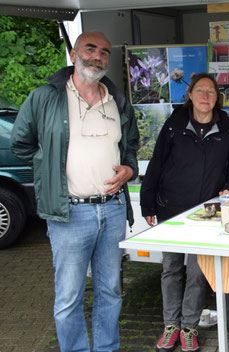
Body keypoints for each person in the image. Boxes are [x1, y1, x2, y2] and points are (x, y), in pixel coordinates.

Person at [10, 32, 139, 351]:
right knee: (69, 296)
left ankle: (106, 347)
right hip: (69, 214)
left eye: (104, 52)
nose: (98, 56)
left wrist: (130, 168)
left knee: (110, 290)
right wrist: (50, 165)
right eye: (90, 49)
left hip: (111, 210)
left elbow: (131, 145)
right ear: (72, 54)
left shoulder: (117, 99)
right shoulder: (45, 97)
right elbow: (20, 144)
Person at [140, 73, 229, 352]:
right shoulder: (175, 123)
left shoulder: (228, 126)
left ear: (216, 97)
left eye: (210, 92)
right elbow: (157, 162)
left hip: (208, 212)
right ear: (190, 94)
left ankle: (189, 327)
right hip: (171, 209)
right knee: (171, 269)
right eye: (200, 90)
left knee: (199, 272)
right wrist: (147, 202)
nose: (205, 96)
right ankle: (170, 327)